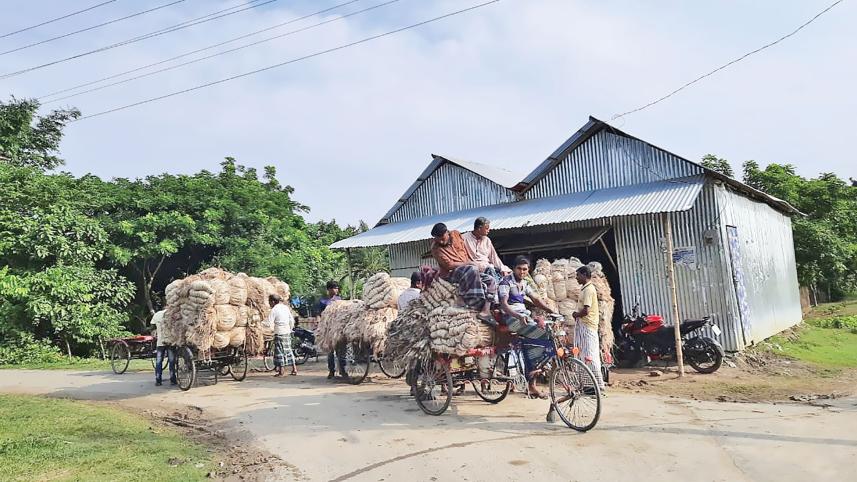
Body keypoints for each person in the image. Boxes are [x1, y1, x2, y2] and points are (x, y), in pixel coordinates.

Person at [497, 256, 555, 398]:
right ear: (513, 268)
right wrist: (517, 315)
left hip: (524, 317)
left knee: (547, 336)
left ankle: (532, 373)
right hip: (511, 318)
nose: (522, 272)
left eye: (525, 269)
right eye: (519, 269)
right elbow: (504, 304)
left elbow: (536, 300)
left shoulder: (525, 283)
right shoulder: (505, 283)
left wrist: (551, 311)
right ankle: (532, 380)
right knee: (541, 336)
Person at [429, 222, 496, 322]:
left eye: (443, 238)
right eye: (438, 240)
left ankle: (486, 310)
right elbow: (449, 265)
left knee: (491, 279)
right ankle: (475, 302)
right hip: (451, 273)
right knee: (472, 269)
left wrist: (474, 262)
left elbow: (464, 250)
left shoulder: (456, 234)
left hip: (467, 267)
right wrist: (468, 263)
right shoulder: (435, 248)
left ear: (447, 232)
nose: (441, 242)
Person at [572, 265, 606, 391]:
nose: (576, 278)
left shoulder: (588, 290)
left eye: (578, 275)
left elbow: (586, 311)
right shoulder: (585, 288)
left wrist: (575, 314)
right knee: (583, 355)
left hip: (587, 325)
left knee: (589, 355)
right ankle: (588, 385)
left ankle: (596, 385)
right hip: (585, 326)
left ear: (584, 275)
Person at [318, 280, 346, 379]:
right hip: (328, 329)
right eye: (334, 288)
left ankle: (343, 370)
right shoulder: (323, 301)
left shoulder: (340, 300)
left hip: (339, 328)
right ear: (328, 289)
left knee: (342, 352)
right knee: (330, 352)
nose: (335, 290)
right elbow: (319, 315)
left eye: (337, 288)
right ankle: (331, 371)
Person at [268, 294, 297, 377]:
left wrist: (271, 331)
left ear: (273, 301)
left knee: (279, 351)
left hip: (279, 332)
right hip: (287, 332)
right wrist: (290, 329)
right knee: (288, 350)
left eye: (269, 302)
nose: (269, 304)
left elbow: (270, 322)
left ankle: (281, 371)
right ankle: (294, 369)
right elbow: (291, 320)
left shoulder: (274, 310)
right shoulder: (285, 308)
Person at [151, 310, 176, 386]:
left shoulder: (157, 315)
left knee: (159, 361)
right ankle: (173, 379)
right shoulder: (172, 313)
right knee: (171, 361)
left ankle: (158, 379)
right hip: (170, 341)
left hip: (160, 342)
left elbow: (152, 327)